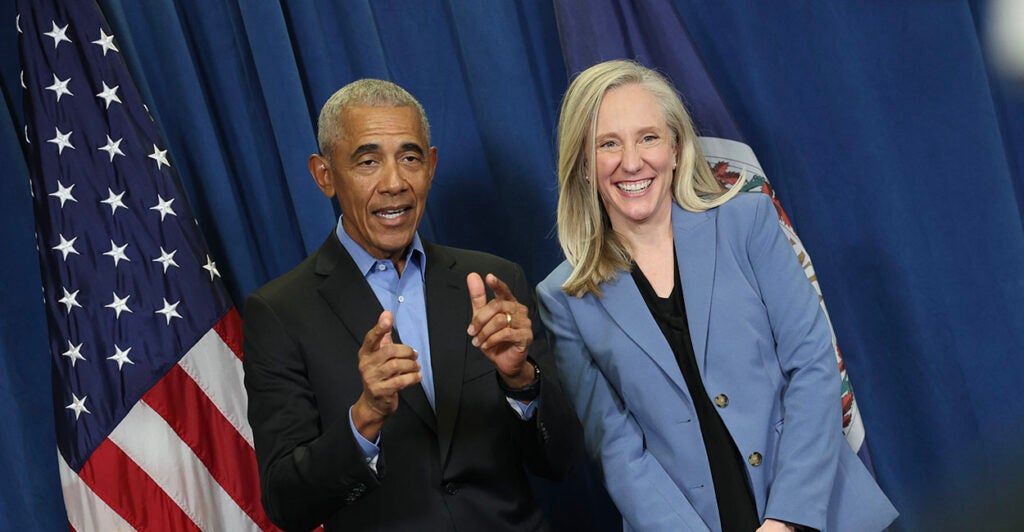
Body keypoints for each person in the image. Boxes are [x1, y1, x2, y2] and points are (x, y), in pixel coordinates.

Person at [536, 60, 898, 532]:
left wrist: (786, 520)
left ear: (676, 146)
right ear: (584, 165)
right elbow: (616, 449)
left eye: (648, 137)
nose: (631, 161)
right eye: (608, 143)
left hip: (818, 513)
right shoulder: (564, 299)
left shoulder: (747, 223)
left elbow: (812, 366)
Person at [242, 79, 581, 531]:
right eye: (367, 161)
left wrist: (521, 380)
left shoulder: (493, 282)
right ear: (324, 175)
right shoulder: (279, 312)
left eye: (410, 158)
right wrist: (365, 416)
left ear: (432, 165)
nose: (394, 183)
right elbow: (287, 504)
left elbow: (559, 462)